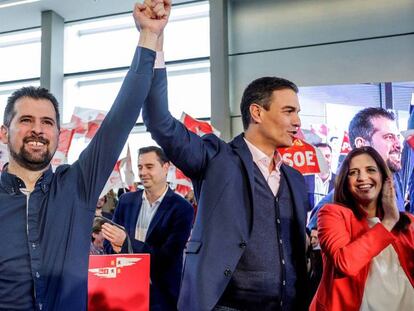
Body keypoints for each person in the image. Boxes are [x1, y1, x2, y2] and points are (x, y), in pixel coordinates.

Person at [142, 3, 309, 310]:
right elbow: (158, 120)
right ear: (257, 112)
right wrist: (153, 39)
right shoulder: (215, 158)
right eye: (288, 111)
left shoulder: (296, 180)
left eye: (298, 112)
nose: (297, 121)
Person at [0, 3, 163, 310]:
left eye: (47, 122)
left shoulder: (77, 186)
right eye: (26, 121)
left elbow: (121, 117)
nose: (37, 130)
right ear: (4, 132)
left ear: (58, 135)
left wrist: (149, 35)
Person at [310, 146, 413, 311]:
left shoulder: (408, 222)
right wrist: (388, 221)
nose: (362, 177)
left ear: (385, 178)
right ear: (345, 180)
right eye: (353, 172)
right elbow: (346, 263)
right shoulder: (332, 214)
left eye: (371, 170)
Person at [102, 146, 194, 310]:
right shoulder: (125, 201)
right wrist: (116, 246)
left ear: (166, 167)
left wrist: (125, 242)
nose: (142, 172)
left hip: (161, 296)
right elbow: (109, 245)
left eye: (149, 167)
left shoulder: (182, 208)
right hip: (124, 289)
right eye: (139, 167)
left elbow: (167, 258)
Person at [308, 107, 405, 229]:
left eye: (397, 137)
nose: (399, 145)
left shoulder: (394, 183)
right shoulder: (335, 203)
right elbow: (312, 242)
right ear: (361, 144)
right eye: (389, 137)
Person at [304, 143, 336, 210]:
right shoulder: (304, 179)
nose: (324, 160)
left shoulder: (339, 181)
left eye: (327, 156)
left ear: (332, 158)